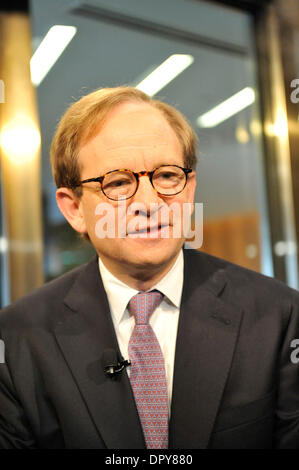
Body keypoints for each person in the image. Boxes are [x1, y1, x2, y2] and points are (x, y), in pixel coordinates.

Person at [0, 86, 298, 449]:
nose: (148, 202)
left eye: (167, 176)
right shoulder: (17, 339)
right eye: (119, 183)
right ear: (74, 208)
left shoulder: (280, 316)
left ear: (189, 190)